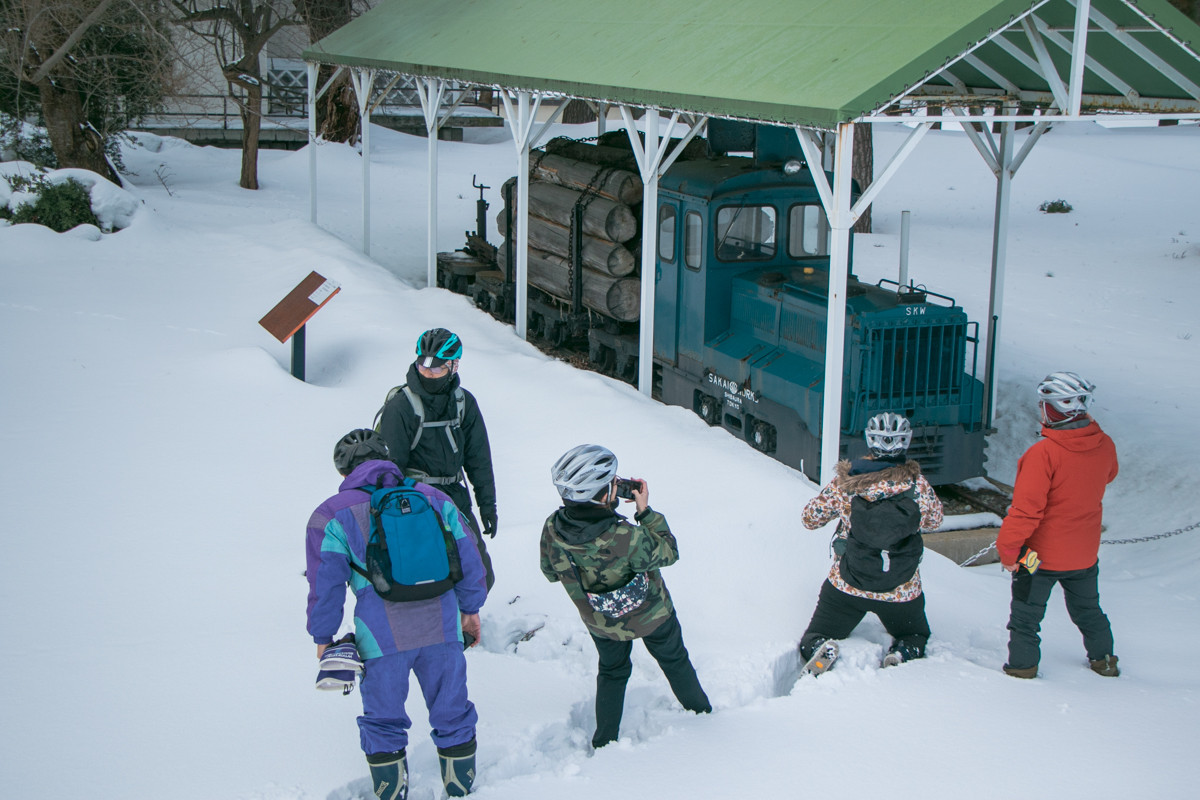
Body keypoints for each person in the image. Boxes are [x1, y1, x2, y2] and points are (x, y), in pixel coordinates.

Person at [306, 429, 489, 798]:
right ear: (389, 460)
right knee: (452, 711)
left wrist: (323, 638)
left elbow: (324, 585)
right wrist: (470, 610)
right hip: (442, 625)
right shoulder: (434, 498)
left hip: (380, 634)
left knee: (384, 721)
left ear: (344, 474)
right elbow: (471, 559)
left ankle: (392, 792)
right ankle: (461, 791)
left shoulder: (331, 514)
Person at [539, 444, 711, 749]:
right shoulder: (626, 537)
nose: (618, 485)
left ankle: (605, 741)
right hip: (653, 616)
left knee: (612, 672)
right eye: (612, 483)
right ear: (600, 495)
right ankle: (702, 714)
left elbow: (550, 572)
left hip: (600, 622)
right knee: (674, 660)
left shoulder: (553, 529)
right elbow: (669, 551)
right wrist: (645, 512)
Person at [797, 413, 944, 673]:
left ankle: (821, 649)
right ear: (906, 442)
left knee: (815, 634)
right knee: (915, 635)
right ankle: (902, 652)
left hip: (847, 585)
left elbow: (810, 519)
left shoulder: (847, 483)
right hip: (901, 590)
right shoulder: (918, 486)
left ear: (869, 440)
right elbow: (934, 522)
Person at [996, 371, 1120, 679]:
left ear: (1052, 409)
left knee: (1026, 616)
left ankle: (1022, 668)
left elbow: (1026, 511)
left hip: (1038, 556)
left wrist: (1010, 552)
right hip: (1083, 554)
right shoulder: (1104, 445)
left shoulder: (1043, 454)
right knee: (1089, 611)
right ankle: (1104, 660)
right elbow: (1109, 475)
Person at [379, 328, 498, 543]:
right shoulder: (401, 407)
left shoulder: (463, 403)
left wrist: (487, 504)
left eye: (436, 369)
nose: (427, 374)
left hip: (455, 499)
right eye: (422, 367)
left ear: (454, 366)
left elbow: (478, 458)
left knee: (480, 572)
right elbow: (390, 467)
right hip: (416, 500)